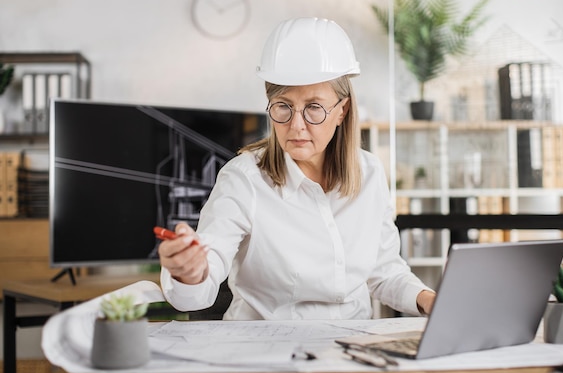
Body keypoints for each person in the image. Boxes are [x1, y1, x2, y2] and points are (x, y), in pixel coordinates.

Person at [158, 17, 436, 320]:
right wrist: (191, 271)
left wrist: (428, 300)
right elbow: (202, 281)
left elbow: (384, 271)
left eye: (314, 107)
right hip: (267, 355)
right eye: (283, 106)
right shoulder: (243, 179)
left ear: (341, 111)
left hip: (352, 353)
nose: (296, 125)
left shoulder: (369, 173)